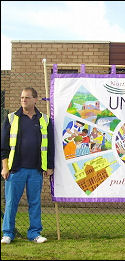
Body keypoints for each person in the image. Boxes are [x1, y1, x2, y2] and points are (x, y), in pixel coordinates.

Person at [1, 87, 54, 244]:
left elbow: (50, 146)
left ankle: (35, 233)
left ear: (35, 100)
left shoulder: (45, 120)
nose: (24, 100)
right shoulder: (11, 119)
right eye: (22, 97)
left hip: (36, 170)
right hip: (14, 170)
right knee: (11, 203)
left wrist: (49, 166)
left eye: (27, 97)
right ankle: (8, 234)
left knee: (35, 203)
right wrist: (4, 167)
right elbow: (3, 147)